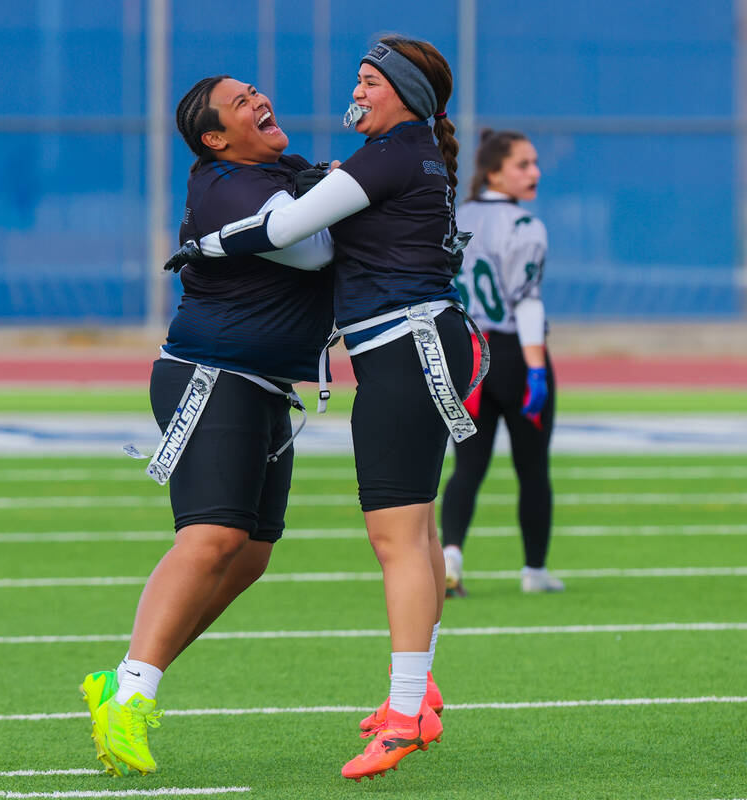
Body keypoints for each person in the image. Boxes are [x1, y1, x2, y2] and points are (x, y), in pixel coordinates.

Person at [164, 36, 477, 782]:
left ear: (402, 93)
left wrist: (203, 246)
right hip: (421, 340)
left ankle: (404, 716)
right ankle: (419, 691)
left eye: (369, 81)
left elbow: (282, 230)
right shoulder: (409, 151)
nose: (357, 92)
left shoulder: (393, 151)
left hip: (409, 343)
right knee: (419, 533)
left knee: (397, 538)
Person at [80, 76, 335, 777]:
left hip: (261, 383)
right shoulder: (227, 185)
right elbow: (312, 249)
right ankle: (131, 695)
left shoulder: (279, 170)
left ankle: (126, 677)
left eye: (258, 89)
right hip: (208, 374)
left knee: (249, 555)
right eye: (241, 100)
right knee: (212, 536)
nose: (260, 99)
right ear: (216, 137)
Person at [441, 129, 563, 595]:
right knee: (532, 468)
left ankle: (451, 557)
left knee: (467, 466)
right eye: (523, 165)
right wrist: (535, 369)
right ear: (494, 171)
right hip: (513, 352)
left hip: (466, 354)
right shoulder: (524, 226)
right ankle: (533, 571)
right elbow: (527, 302)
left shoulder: (453, 217)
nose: (534, 172)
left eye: (534, 163)